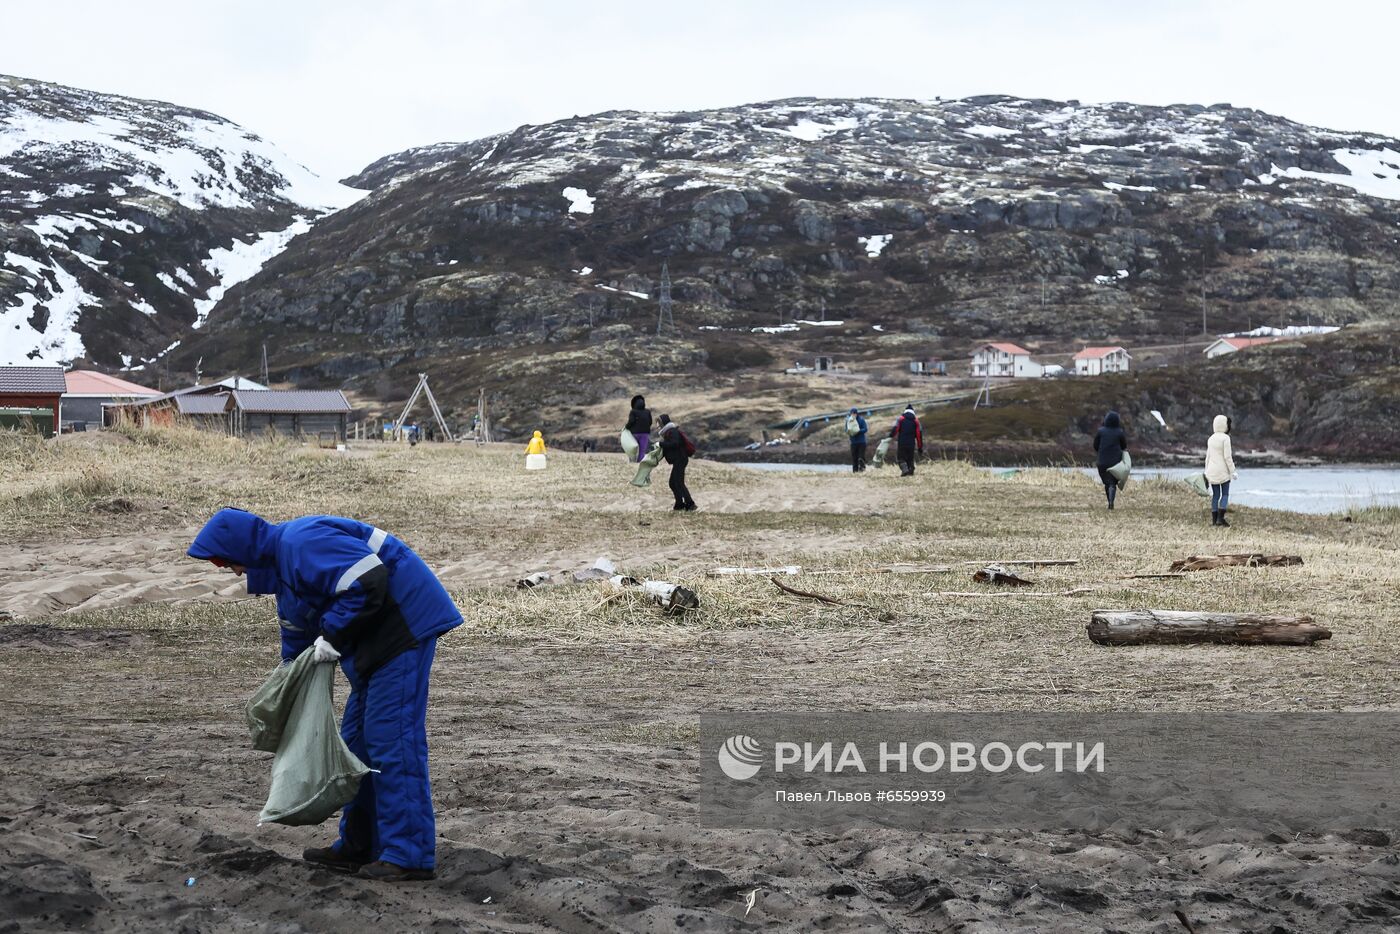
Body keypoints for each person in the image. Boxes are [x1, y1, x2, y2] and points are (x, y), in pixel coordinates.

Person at [188, 508, 463, 882]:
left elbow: (369, 581)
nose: (232, 571)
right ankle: (359, 846)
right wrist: (286, 685)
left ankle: (409, 855)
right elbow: (297, 637)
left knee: (391, 739)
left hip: (404, 628)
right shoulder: (284, 575)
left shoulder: (301, 543)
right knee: (354, 744)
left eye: (226, 561)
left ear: (242, 549)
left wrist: (332, 635)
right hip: (375, 644)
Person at [657, 413, 697, 511]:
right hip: (679, 460)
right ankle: (679, 504)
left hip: (680, 459)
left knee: (678, 483)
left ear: (663, 423)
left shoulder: (672, 431)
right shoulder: (668, 432)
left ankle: (690, 504)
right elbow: (669, 447)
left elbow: (674, 443)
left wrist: (661, 444)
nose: (657, 426)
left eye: (658, 423)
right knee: (673, 483)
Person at [1204, 414, 1238, 526]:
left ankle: (1214, 520)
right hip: (1223, 472)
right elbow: (1227, 457)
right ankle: (1220, 518)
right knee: (1225, 495)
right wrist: (1233, 471)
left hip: (1212, 471)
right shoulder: (1226, 438)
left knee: (1215, 495)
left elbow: (1208, 457)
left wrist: (1206, 472)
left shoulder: (1211, 438)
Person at [1092, 411, 1128, 510]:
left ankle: (1109, 502)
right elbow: (1124, 446)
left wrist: (1101, 452)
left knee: (1107, 483)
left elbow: (1095, 445)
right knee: (1112, 483)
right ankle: (1111, 502)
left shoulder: (1100, 431)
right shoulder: (1119, 432)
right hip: (1115, 463)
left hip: (1102, 462)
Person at [891, 405, 922, 477]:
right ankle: (910, 471)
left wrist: (890, 436)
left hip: (902, 442)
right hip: (911, 443)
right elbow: (919, 435)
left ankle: (904, 470)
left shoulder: (901, 418)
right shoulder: (916, 421)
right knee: (910, 458)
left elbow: (896, 429)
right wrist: (920, 447)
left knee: (901, 458)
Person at [625, 395, 653, 463]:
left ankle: (632, 461)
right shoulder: (647, 411)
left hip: (634, 433)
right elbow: (650, 422)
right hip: (645, 433)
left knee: (632, 448)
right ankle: (640, 462)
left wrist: (626, 427)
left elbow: (631, 421)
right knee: (642, 450)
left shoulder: (633, 411)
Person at [845, 408, 868, 473]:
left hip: (861, 442)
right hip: (853, 442)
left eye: (854, 413)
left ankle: (862, 470)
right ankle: (855, 472)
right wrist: (849, 431)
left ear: (857, 413)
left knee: (861, 457)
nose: (853, 415)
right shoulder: (848, 420)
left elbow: (865, 429)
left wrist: (858, 431)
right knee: (854, 458)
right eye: (852, 413)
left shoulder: (861, 420)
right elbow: (846, 429)